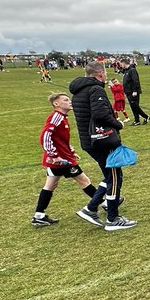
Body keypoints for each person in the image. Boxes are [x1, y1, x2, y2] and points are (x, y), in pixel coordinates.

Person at [69, 61, 137, 231]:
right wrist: (117, 124)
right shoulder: (95, 89)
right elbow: (100, 114)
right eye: (105, 74)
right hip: (102, 141)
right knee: (114, 176)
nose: (106, 77)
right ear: (100, 74)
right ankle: (113, 219)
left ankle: (91, 208)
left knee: (110, 175)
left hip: (89, 141)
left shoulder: (78, 91)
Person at [32, 93, 99, 227]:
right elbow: (45, 136)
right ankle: (105, 203)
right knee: (84, 181)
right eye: (66, 100)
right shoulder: (56, 117)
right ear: (56, 104)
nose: (70, 102)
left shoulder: (62, 117)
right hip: (61, 160)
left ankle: (39, 215)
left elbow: (61, 139)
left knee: (51, 185)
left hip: (61, 157)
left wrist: (71, 151)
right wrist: (54, 155)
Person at [120, 60, 149, 125]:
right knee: (133, 107)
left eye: (121, 64)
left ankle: (146, 117)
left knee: (135, 106)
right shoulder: (126, 71)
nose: (121, 65)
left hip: (133, 92)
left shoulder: (132, 70)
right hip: (128, 92)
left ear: (124, 63)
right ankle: (137, 120)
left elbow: (136, 81)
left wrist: (135, 90)